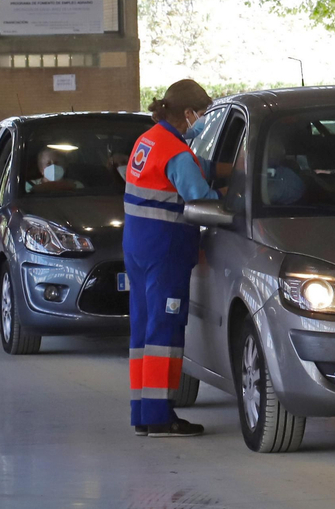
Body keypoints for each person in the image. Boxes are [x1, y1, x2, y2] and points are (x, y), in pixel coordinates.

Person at [123, 78, 215, 437]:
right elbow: (201, 198)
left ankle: (143, 414)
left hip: (139, 248)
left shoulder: (148, 141)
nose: (203, 120)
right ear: (188, 113)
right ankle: (162, 416)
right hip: (166, 251)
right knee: (165, 330)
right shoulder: (176, 153)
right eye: (202, 113)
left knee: (143, 330)